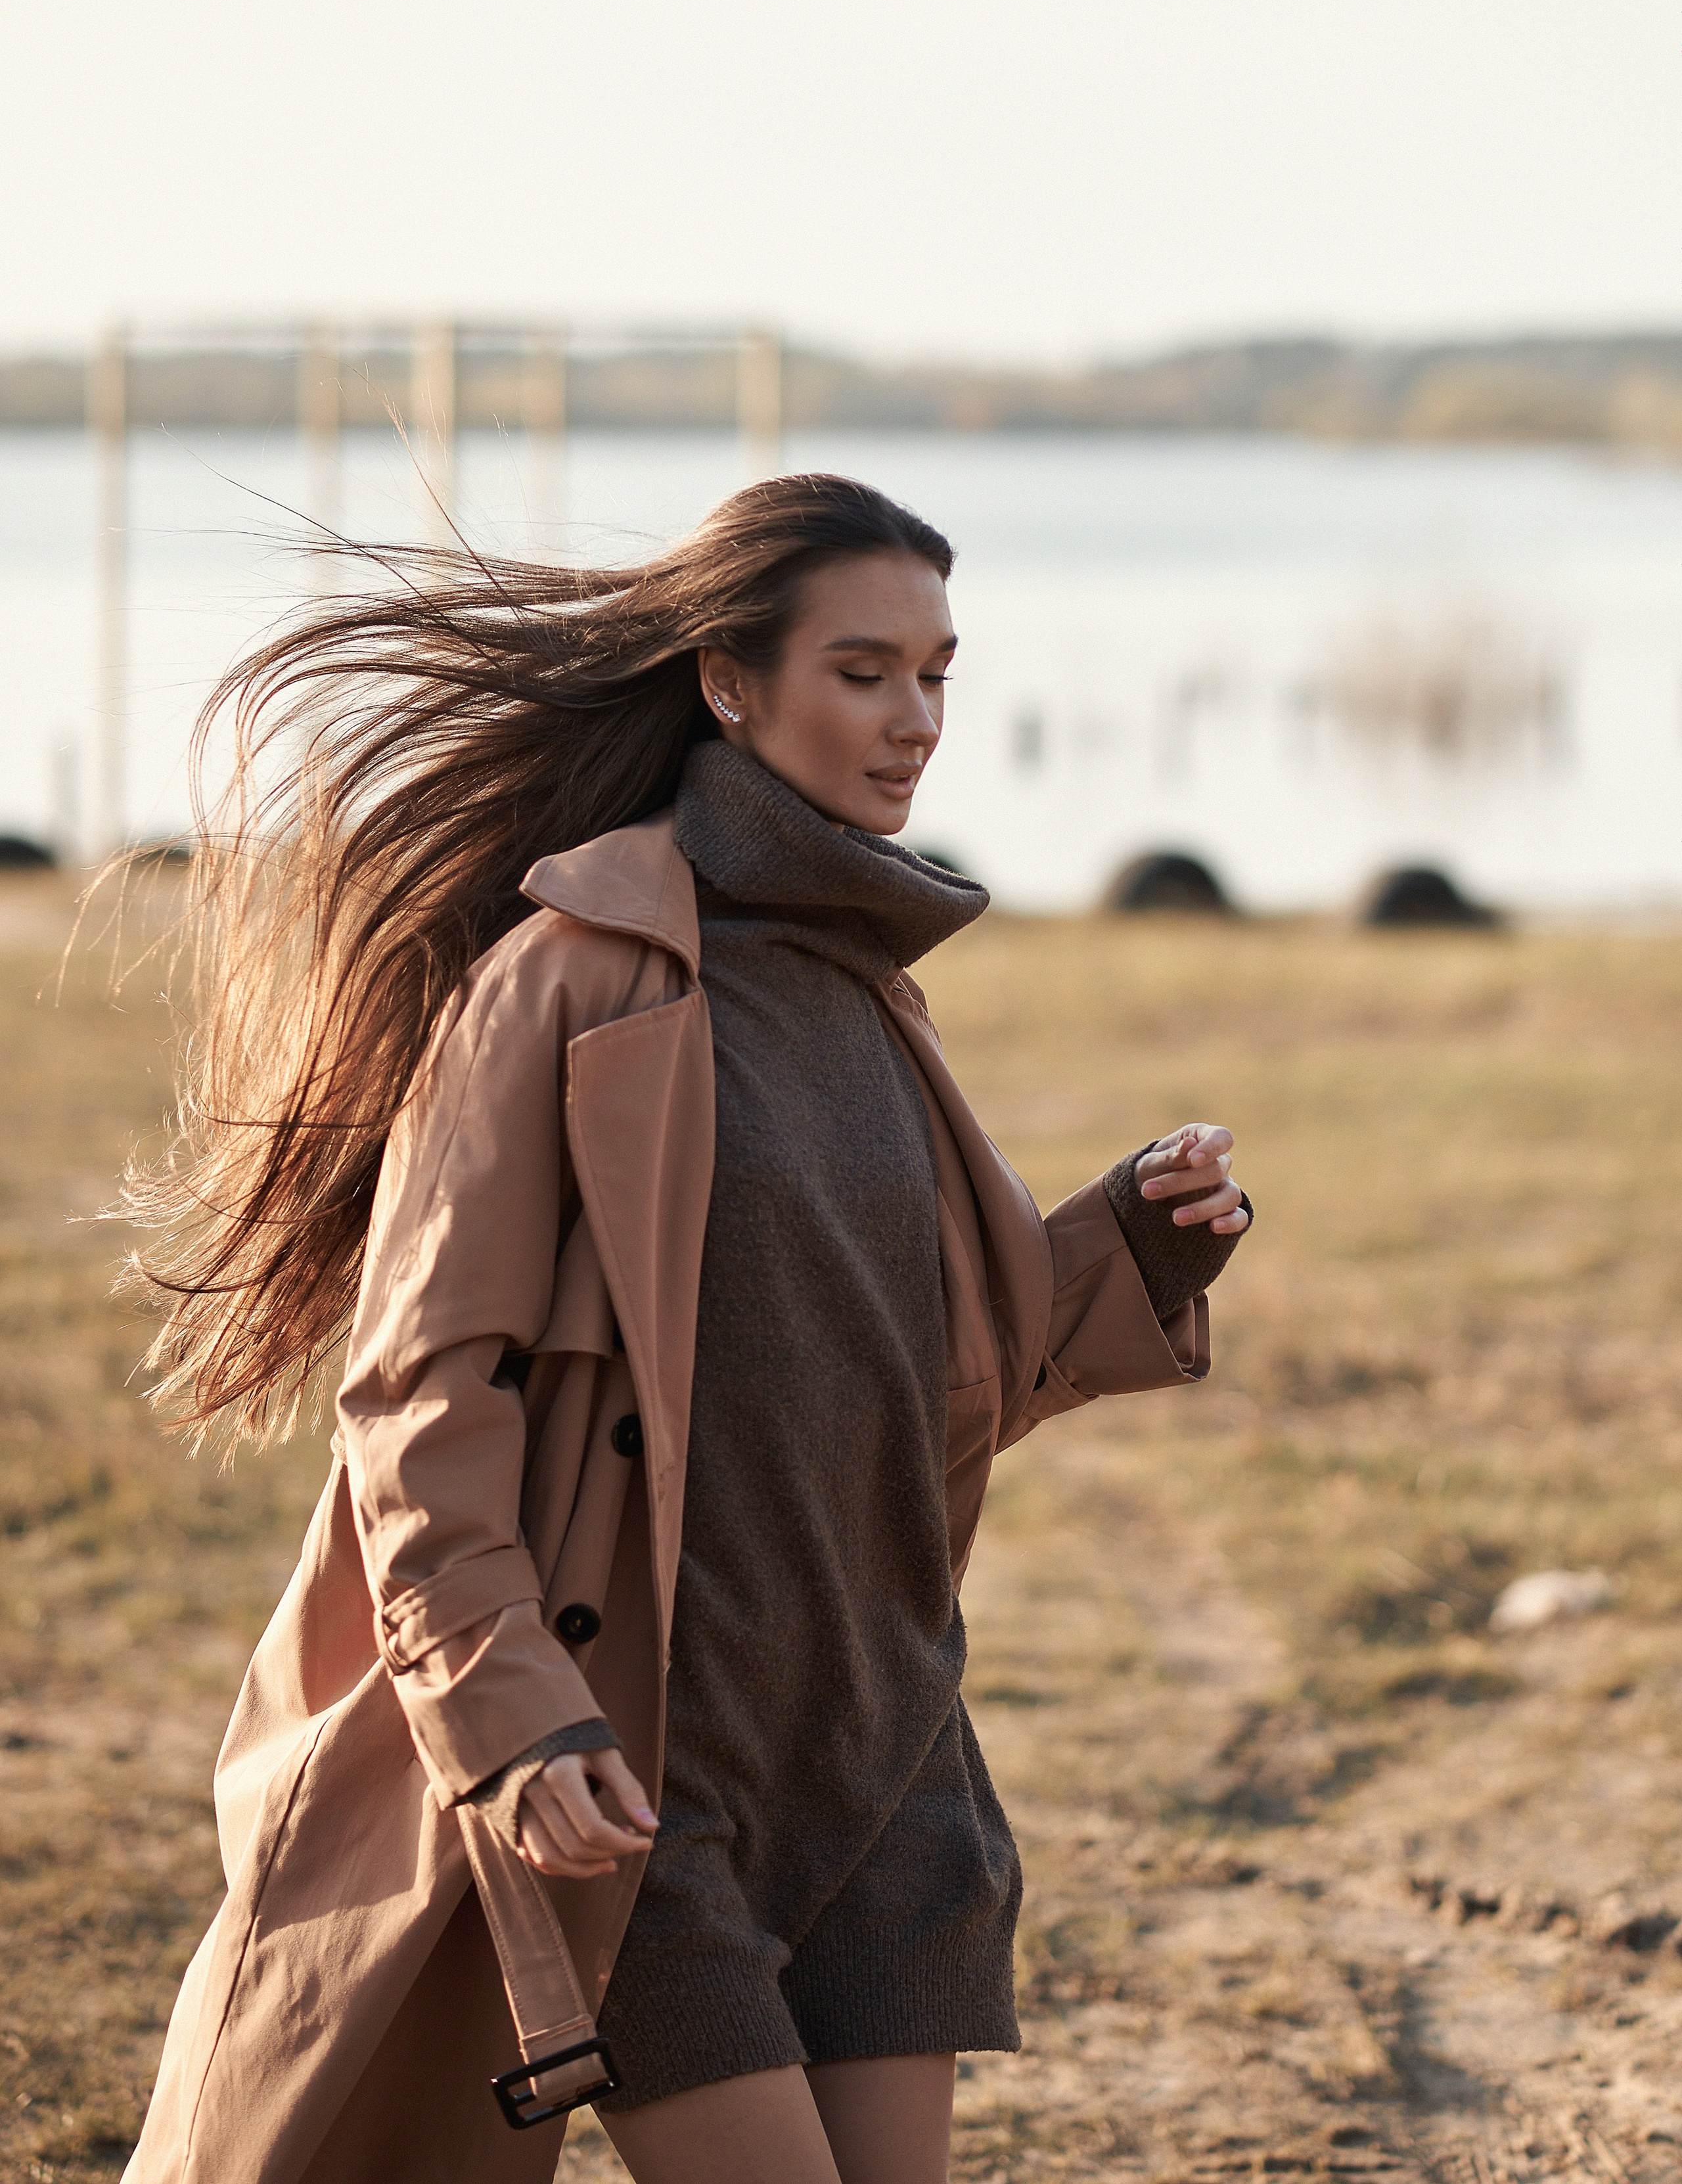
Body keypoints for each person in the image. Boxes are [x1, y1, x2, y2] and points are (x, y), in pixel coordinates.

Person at [121, 474, 1250, 2184]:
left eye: (938, 672)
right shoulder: (574, 979)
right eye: (866, 670)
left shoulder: (875, 993)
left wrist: (1127, 1253)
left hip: (887, 1760)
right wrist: (515, 1711)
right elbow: (419, 1392)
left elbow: (909, 1386)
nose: (917, 718)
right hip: (649, 1783)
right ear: (729, 680)